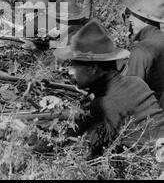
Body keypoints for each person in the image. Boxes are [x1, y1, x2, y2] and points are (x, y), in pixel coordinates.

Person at [54, 19, 164, 157]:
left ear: (93, 68)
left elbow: (63, 143)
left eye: (73, 65)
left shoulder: (101, 106)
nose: (69, 71)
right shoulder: (136, 83)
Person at [124, 0, 164, 109]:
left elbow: (131, 98)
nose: (130, 18)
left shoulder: (141, 50)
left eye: (134, 14)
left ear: (146, 18)